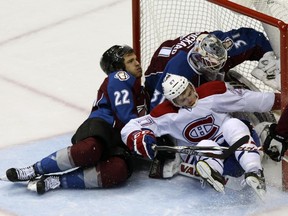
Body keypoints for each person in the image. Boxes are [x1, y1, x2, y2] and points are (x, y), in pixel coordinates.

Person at [5, 45, 150, 194]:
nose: (137, 63)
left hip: (119, 140)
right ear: (118, 67)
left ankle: (56, 181)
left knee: (118, 170)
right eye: (130, 61)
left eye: (136, 59)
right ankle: (34, 170)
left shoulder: (142, 92)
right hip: (103, 127)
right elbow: (126, 116)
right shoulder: (120, 77)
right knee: (89, 150)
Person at [121, 73, 285, 198]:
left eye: (189, 93)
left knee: (232, 124)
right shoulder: (165, 114)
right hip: (204, 155)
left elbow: (248, 100)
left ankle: (254, 171)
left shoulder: (212, 93)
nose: (190, 100)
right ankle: (214, 174)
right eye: (182, 100)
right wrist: (139, 138)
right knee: (205, 144)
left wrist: (282, 101)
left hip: (233, 144)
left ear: (192, 86)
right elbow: (130, 127)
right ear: (173, 102)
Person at [145, 27, 280, 109]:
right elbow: (157, 107)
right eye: (212, 65)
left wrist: (269, 59)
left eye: (220, 63)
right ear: (200, 59)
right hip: (159, 69)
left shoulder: (224, 45)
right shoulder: (177, 73)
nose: (217, 67)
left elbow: (254, 37)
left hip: (194, 49)